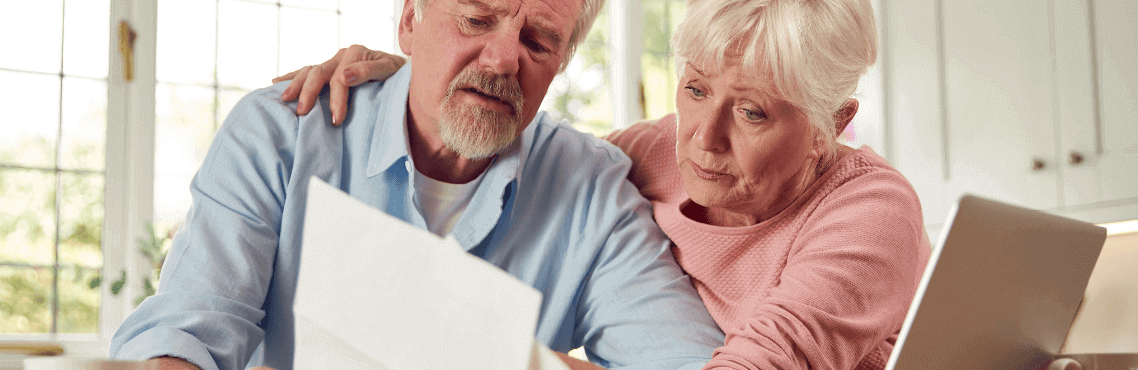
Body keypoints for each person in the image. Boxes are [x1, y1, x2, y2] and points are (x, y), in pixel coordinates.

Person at [282, 0, 933, 369]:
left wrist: (520, 358)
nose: (704, 137)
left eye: (754, 112)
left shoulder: (871, 210)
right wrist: (423, 81)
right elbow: (526, 153)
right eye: (697, 89)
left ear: (833, 124)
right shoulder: (654, 152)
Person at [107, 0, 729, 369]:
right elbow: (187, 335)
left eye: (538, 41)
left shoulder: (592, 191)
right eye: (476, 18)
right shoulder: (283, 134)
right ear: (409, 19)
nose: (502, 59)